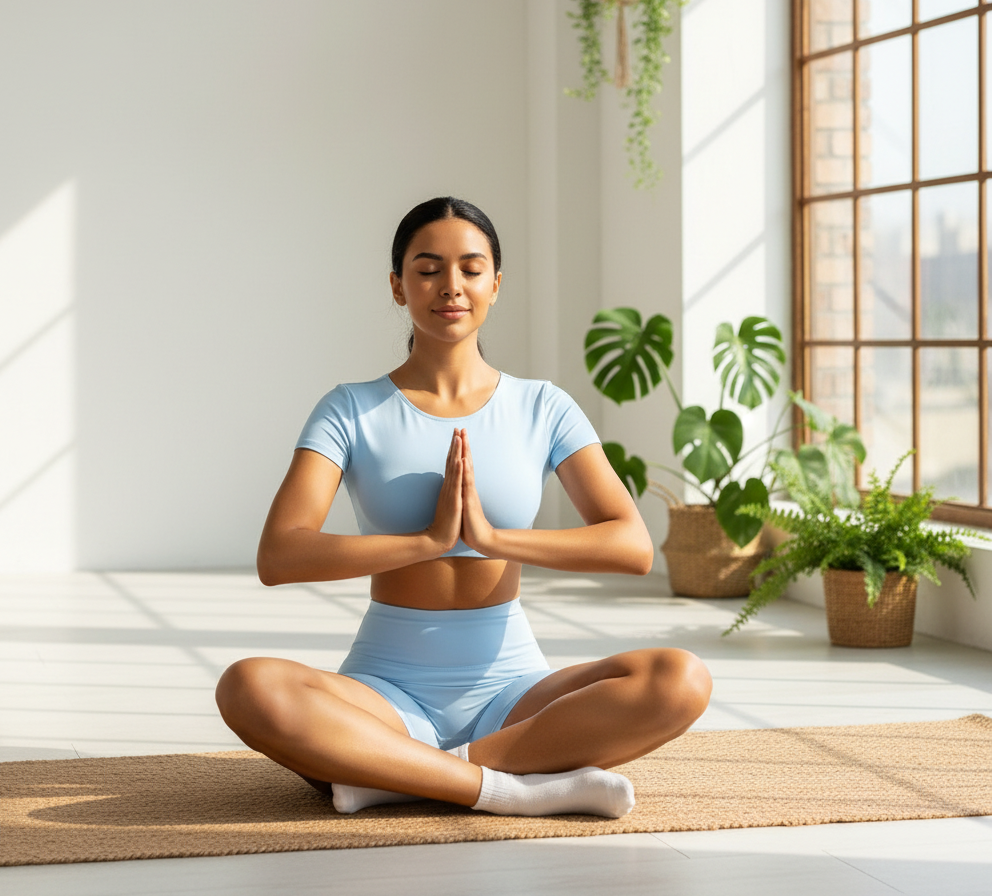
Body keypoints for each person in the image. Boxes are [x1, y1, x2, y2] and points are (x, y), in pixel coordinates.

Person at [215, 197, 712, 819]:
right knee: (249, 686)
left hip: (516, 689)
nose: (450, 286)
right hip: (384, 691)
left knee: (681, 679)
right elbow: (280, 553)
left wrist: (490, 537)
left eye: (471, 269)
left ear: (495, 285)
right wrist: (426, 542)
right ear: (398, 286)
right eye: (427, 269)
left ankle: (396, 773)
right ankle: (509, 786)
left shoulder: (543, 406)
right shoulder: (350, 408)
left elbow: (631, 545)